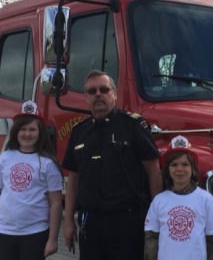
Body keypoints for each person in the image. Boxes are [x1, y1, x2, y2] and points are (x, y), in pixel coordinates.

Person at [62, 70, 162, 260]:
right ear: (86, 98)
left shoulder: (133, 126)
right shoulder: (79, 132)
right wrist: (68, 221)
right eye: (92, 91)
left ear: (114, 95)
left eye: (104, 89)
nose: (98, 94)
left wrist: (156, 219)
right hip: (90, 222)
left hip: (127, 221)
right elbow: (73, 181)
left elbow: (153, 171)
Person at [0, 100, 63, 260]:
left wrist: (52, 239)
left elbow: (55, 203)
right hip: (4, 234)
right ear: (15, 131)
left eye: (32, 129)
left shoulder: (48, 163)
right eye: (23, 128)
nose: (27, 134)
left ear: (40, 132)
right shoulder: (5, 158)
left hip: (35, 234)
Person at [144, 135, 213, 260]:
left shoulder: (206, 200)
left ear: (193, 168)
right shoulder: (158, 201)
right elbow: (151, 240)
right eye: (174, 164)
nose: (179, 169)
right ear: (167, 169)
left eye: (185, 164)